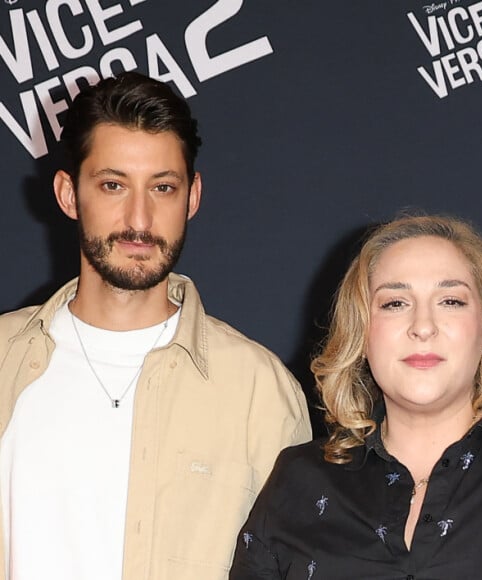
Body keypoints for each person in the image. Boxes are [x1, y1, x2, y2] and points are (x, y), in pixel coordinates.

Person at [0, 72, 312, 580]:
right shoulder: (2, 359)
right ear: (68, 194)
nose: (139, 219)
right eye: (113, 185)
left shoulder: (258, 389)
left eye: (163, 187)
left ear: (192, 197)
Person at [230, 214, 482, 579]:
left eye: (451, 301)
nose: (423, 327)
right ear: (361, 331)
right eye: (395, 303)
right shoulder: (298, 483)